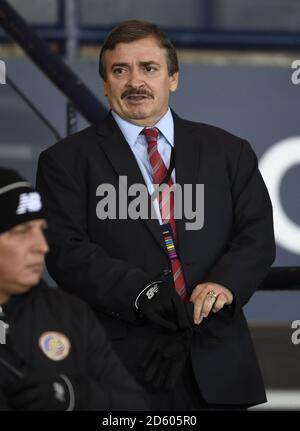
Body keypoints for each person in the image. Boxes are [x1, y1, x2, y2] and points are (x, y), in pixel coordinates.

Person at [36, 20, 275, 410]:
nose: (135, 82)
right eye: (119, 70)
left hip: (220, 364)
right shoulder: (65, 161)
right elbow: (65, 250)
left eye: (149, 68)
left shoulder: (229, 151)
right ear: (104, 83)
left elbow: (256, 234)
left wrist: (224, 285)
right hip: (121, 367)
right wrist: (141, 292)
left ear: (173, 78)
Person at [0, 167, 148, 411]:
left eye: (41, 231)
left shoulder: (68, 313)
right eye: (21, 232)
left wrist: (71, 396)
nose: (41, 246)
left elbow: (134, 407)